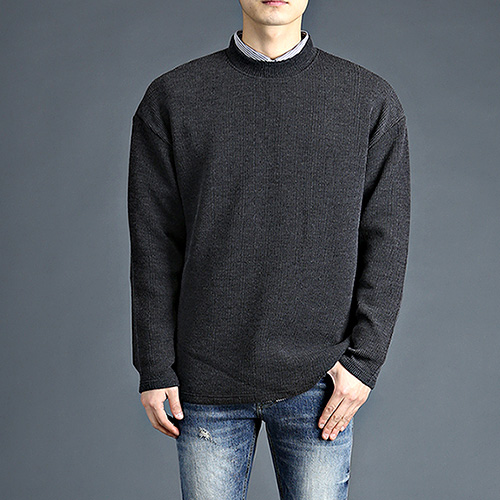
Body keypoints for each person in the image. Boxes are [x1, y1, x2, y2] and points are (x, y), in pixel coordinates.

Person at [127, 1, 410, 498]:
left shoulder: (368, 99)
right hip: (204, 379)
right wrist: (154, 365)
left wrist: (364, 364)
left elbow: (387, 238)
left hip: (320, 383)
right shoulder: (173, 97)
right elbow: (153, 242)